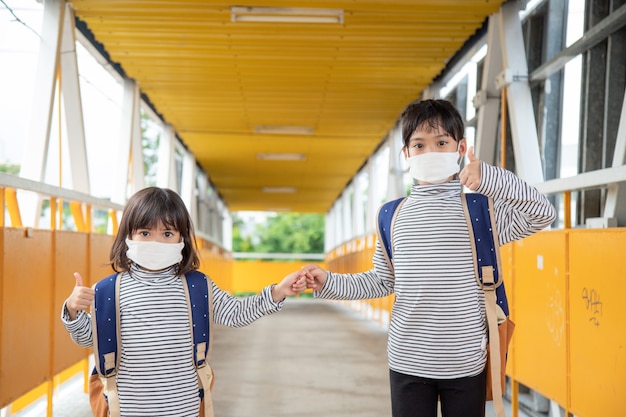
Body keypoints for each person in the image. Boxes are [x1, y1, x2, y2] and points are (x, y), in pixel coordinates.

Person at [303, 98, 556, 417]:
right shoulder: (392, 216)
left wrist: (489, 178)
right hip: (407, 359)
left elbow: (542, 213)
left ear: (460, 148)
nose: (431, 152)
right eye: (419, 145)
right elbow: (381, 281)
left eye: (442, 143)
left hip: (466, 360)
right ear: (406, 154)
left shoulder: (482, 211)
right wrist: (329, 281)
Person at [62, 186, 307, 417]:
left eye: (167, 233)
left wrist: (277, 291)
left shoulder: (197, 286)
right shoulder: (108, 290)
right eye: (145, 233)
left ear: (182, 239)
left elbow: (235, 313)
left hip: (184, 407)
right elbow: (88, 338)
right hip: (126, 408)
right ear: (129, 235)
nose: (156, 242)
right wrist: (73, 310)